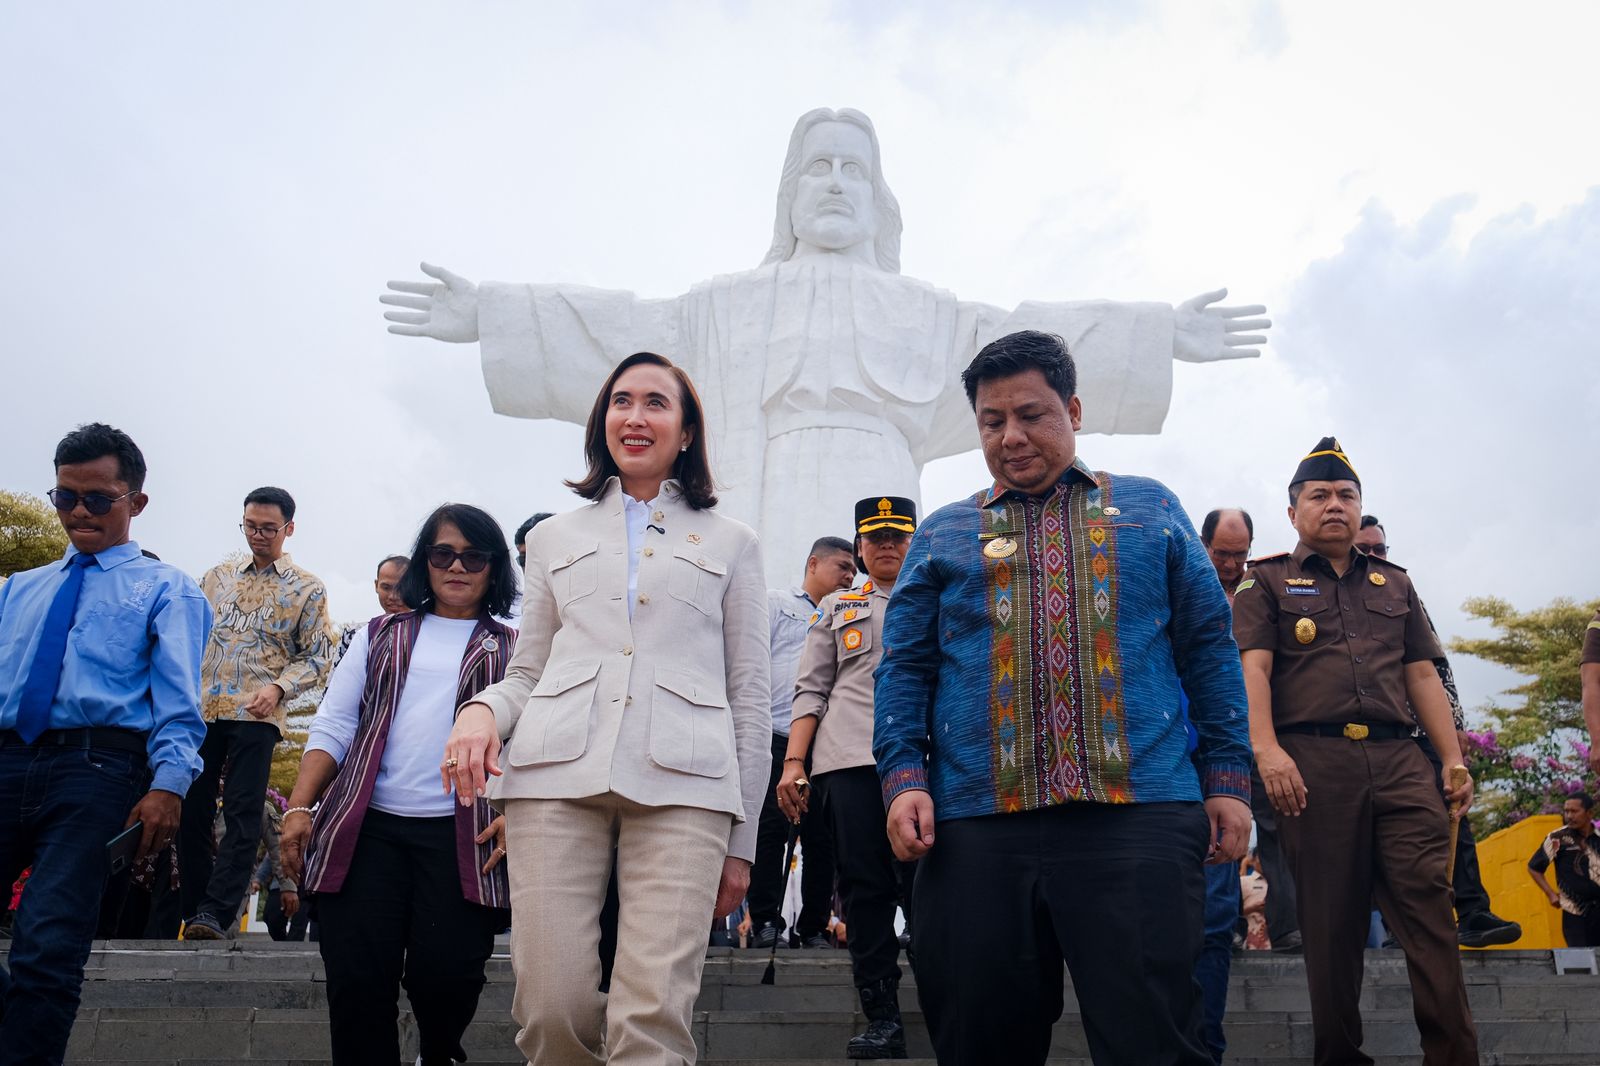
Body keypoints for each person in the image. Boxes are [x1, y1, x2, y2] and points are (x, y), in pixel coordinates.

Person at [382, 106, 1271, 587]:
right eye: (819, 167)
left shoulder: (925, 309)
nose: (837, 184)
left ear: (879, 196)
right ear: (790, 194)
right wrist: (494, 313)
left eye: (854, 169)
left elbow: (1028, 342)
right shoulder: (725, 305)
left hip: (877, 484)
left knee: (874, 641)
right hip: (751, 493)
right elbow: (618, 330)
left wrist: (1160, 334)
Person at [873, 331, 1252, 1066]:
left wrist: (1228, 780)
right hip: (973, 824)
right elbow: (905, 668)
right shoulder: (943, 532)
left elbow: (1208, 647)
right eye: (991, 421)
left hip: (1139, 813)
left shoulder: (1151, 509)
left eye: (1031, 415)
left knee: (1154, 1043)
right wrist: (903, 777)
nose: (1010, 437)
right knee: (980, 1043)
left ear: (1073, 411)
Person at [441, 351, 770, 1064]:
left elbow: (749, 695)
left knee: (652, 1016)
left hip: (688, 785)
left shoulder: (734, 542)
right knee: (550, 1008)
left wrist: (742, 845)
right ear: (602, 422)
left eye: (656, 402)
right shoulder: (552, 537)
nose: (636, 416)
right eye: (622, 400)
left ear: (687, 431)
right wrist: (480, 712)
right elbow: (527, 670)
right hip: (553, 775)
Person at [1233, 437, 1478, 1066]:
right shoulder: (1266, 581)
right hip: (1313, 766)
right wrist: (1267, 750)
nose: (1335, 504)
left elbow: (1421, 674)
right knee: (1331, 927)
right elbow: (1253, 670)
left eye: (1346, 494)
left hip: (1401, 764)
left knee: (1430, 914)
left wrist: (1451, 760)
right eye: (1319, 495)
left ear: (1360, 505)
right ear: (1293, 512)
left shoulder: (1394, 582)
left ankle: (1454, 1057)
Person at [0, 423, 211, 1063]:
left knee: (47, 942)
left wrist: (168, 785)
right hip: (7, 759)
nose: (79, 512)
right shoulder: (17, 589)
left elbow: (178, 704)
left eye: (98, 499)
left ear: (135, 502)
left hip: (96, 770)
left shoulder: (167, 589)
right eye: (66, 497)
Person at [280, 502, 519, 1065]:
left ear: (495, 567)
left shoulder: (517, 647)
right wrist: (299, 807)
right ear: (423, 562)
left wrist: (519, 810)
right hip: (367, 830)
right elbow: (335, 724)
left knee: (450, 973)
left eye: (474, 557)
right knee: (357, 979)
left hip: (464, 835)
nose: (456, 566)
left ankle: (438, 1053)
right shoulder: (379, 634)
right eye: (442, 553)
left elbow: (537, 739)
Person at [781, 498, 920, 1058]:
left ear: (913, 541)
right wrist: (794, 764)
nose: (886, 544)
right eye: (875, 537)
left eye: (897, 535)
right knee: (864, 890)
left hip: (926, 761)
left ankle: (948, 998)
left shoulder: (939, 595)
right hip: (849, 761)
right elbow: (811, 689)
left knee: (930, 886)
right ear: (860, 548)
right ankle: (882, 1015)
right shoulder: (838, 606)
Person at [1354, 515, 1521, 949]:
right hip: (1366, 734)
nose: (1373, 555)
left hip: (1420, 728)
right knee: (1386, 829)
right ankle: (1398, 927)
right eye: (1364, 548)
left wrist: (1456, 727)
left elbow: (1436, 665)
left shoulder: (1402, 591)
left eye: (1379, 548)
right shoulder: (1328, 593)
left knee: (1453, 809)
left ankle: (1473, 910)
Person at [179, 487, 333, 940]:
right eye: (250, 526)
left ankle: (217, 911)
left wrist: (279, 688)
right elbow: (187, 636)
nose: (258, 535)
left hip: (257, 714)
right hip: (203, 711)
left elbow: (318, 657)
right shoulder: (216, 577)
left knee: (244, 812)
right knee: (191, 809)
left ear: (289, 528)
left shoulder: (308, 588)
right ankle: (195, 909)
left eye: (268, 528)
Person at [747, 536, 854, 950]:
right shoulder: (776, 604)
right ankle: (765, 920)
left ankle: (813, 926)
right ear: (813, 564)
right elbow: (752, 661)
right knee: (770, 832)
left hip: (824, 743)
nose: (850, 575)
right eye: (843, 566)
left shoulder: (849, 611)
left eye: (853, 570)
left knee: (822, 838)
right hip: (775, 736)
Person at [1192, 506, 1254, 1063]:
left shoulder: (1259, 599)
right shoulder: (1178, 589)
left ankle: (1206, 1046)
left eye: (1240, 555)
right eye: (1222, 554)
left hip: (1228, 765)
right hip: (1168, 763)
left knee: (1214, 914)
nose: (1231, 565)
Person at [1528, 792, 1600, 947]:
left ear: (1589, 813)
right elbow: (1534, 867)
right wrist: (1550, 894)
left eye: (1574, 811)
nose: (1569, 816)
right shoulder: (1557, 838)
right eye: (1566, 811)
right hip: (1574, 913)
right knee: (1581, 958)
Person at [334, 555, 411, 665]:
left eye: (402, 588)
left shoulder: (427, 634)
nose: (393, 596)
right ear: (376, 585)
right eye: (386, 588)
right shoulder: (355, 635)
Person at [249, 801, 307, 942]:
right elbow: (272, 855)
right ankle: (282, 943)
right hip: (282, 881)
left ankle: (293, 947)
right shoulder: (287, 829)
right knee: (271, 917)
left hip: (307, 885)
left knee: (299, 921)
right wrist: (258, 879)